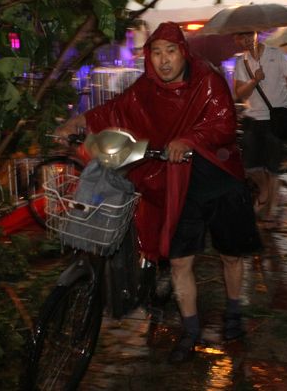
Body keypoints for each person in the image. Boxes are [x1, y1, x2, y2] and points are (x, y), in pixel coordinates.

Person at [55, 22, 261, 364]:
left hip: (222, 180)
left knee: (231, 255)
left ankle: (234, 312)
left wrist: (190, 140)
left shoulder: (208, 82)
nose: (164, 60)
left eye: (171, 51)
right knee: (180, 262)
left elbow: (223, 125)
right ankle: (191, 330)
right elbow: (115, 110)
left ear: (183, 52)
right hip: (180, 187)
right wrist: (77, 123)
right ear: (149, 56)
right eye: (156, 52)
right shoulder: (146, 89)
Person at [231, 30, 287, 223]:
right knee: (251, 167)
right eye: (239, 36)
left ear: (256, 34)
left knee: (273, 167)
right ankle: (265, 191)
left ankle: (271, 209)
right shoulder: (240, 62)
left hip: (275, 120)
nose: (243, 39)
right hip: (253, 120)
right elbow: (238, 95)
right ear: (235, 39)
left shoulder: (275, 54)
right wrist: (255, 80)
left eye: (247, 34)